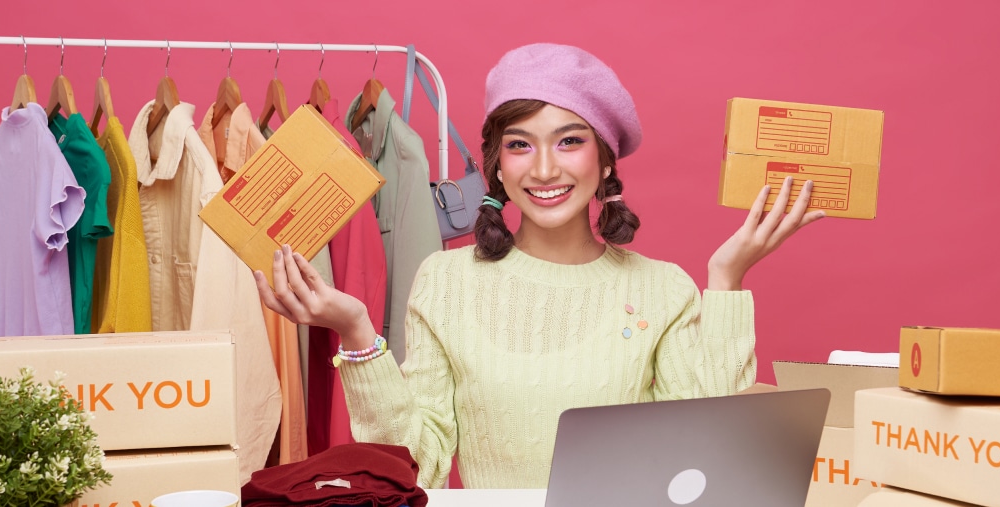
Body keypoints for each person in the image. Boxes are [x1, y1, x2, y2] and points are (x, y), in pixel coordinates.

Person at [255, 43, 824, 489]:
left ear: (605, 162)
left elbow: (713, 453)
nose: (544, 168)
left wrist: (725, 281)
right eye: (520, 145)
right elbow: (418, 468)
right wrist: (357, 333)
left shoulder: (662, 288)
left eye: (569, 141)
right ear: (497, 167)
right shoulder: (447, 282)